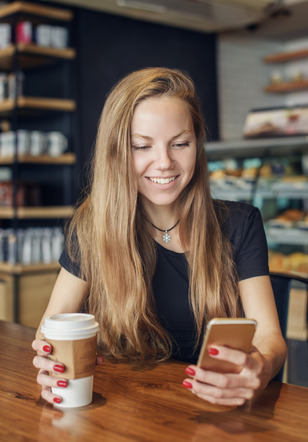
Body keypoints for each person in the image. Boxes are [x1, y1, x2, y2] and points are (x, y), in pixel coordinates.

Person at [32, 67, 287, 407]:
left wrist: (261, 365)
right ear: (117, 151)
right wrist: (49, 358)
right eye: (142, 146)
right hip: (124, 410)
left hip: (213, 411)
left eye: (180, 143)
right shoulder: (93, 226)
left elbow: (271, 338)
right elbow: (52, 325)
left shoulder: (240, 223)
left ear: (197, 144)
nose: (164, 162)